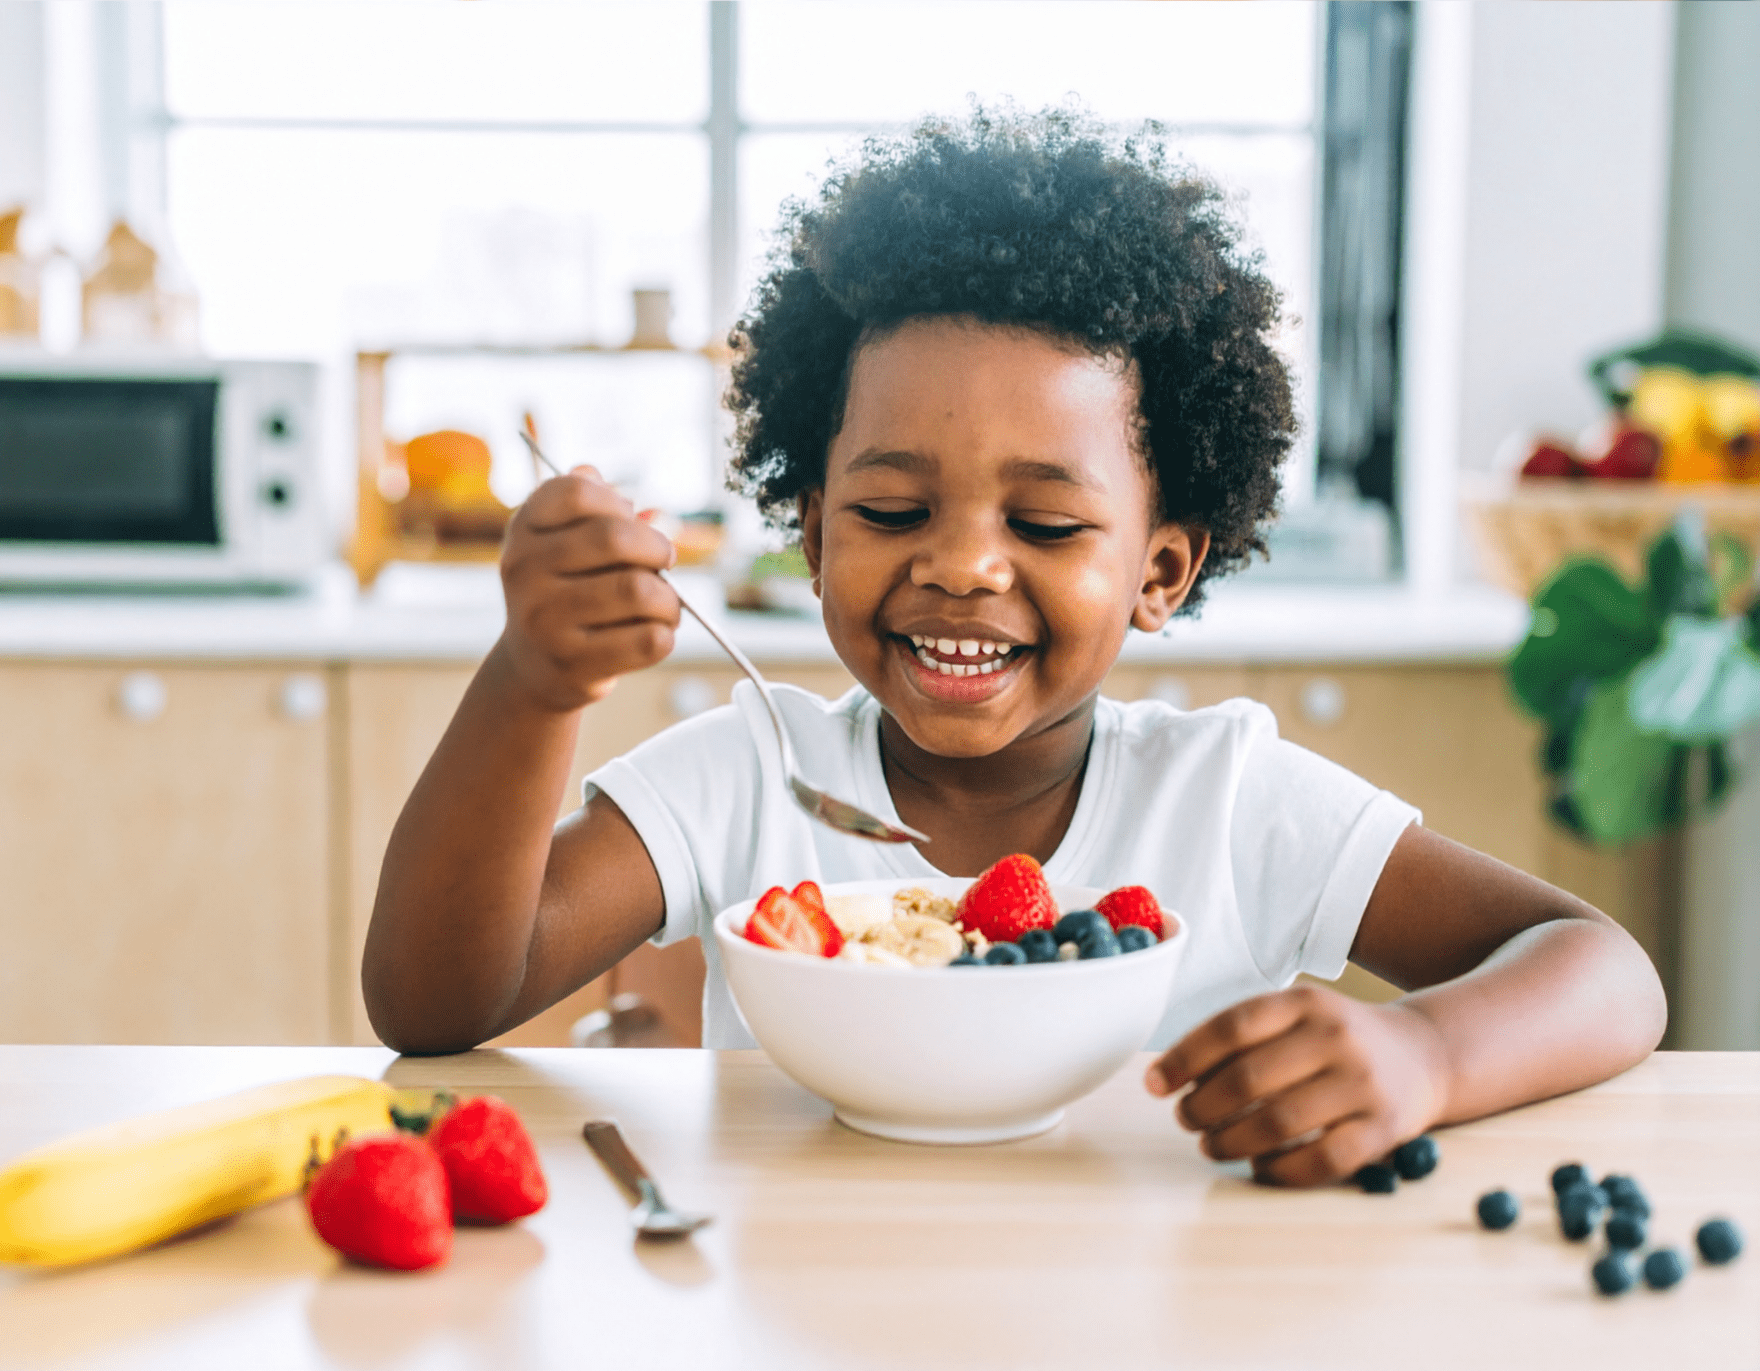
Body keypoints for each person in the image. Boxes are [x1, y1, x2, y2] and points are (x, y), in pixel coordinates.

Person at [363, 109, 1665, 1185]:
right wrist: (534, 685)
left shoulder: (1223, 798)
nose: (964, 563)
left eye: (1043, 519)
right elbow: (430, 1001)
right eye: (889, 510)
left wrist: (1422, 1057)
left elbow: (1605, 970)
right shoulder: (750, 775)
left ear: (1161, 570)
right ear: (812, 535)